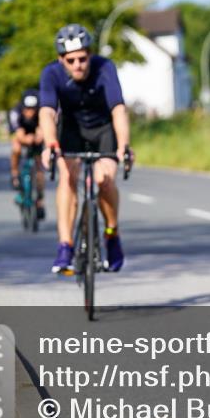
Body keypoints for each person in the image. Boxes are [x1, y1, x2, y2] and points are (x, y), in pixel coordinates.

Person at [39, 24, 133, 274]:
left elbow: (118, 109)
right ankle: (65, 246)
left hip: (103, 129)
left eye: (82, 58)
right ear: (61, 59)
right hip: (71, 129)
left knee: (104, 180)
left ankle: (112, 234)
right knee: (67, 177)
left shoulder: (105, 68)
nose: (78, 65)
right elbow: (47, 112)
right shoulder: (51, 73)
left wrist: (123, 145)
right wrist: (50, 144)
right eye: (71, 60)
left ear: (90, 54)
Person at [9, 89, 46, 219]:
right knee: (16, 148)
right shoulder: (15, 113)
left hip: (35, 136)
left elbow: (42, 130)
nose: (30, 112)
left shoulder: (41, 112)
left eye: (32, 109)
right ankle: (15, 174)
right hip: (22, 134)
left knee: (40, 166)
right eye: (27, 109)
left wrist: (39, 137)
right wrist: (26, 139)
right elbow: (18, 133)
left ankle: (39, 198)